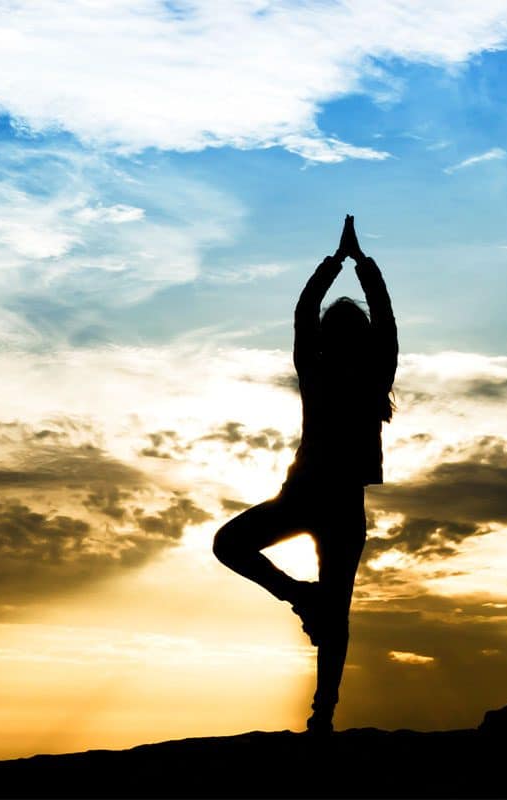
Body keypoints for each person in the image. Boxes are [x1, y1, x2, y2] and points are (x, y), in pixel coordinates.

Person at [212, 215, 398, 734]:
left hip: (313, 497)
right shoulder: (363, 368)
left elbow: (305, 312)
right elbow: (382, 318)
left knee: (233, 547)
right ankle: (322, 708)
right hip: (327, 500)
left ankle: (321, 710)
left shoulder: (337, 369)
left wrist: (337, 263)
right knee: (331, 608)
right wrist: (357, 263)